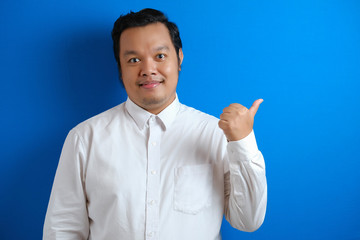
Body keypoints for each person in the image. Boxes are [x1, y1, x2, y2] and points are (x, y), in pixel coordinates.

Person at [43, 8, 267, 240]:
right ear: (120, 68)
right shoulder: (84, 138)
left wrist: (243, 141)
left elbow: (248, 221)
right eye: (133, 60)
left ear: (179, 58)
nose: (148, 70)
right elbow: (62, 230)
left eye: (160, 56)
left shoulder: (216, 133)